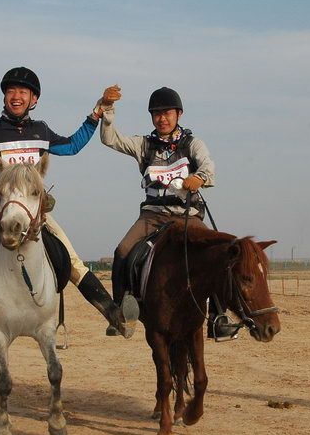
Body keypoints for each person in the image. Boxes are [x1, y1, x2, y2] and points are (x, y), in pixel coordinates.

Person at [0, 67, 138, 338]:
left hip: (34, 213)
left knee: (74, 260)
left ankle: (113, 314)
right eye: (11, 91)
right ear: (5, 97)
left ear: (34, 99)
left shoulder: (40, 130)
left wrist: (96, 114)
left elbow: (71, 146)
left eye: (23, 92)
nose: (16, 96)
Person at [94, 85, 237, 339]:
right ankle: (119, 314)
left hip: (186, 216)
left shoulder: (193, 144)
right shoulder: (144, 145)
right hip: (152, 216)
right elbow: (109, 139)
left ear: (179, 114)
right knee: (122, 251)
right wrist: (107, 108)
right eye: (156, 113)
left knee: (217, 254)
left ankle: (218, 317)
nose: (162, 118)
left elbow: (208, 166)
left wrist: (200, 178)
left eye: (167, 113)